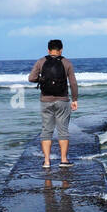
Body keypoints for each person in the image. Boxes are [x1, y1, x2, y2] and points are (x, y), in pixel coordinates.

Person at [27, 39, 79, 168]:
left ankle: (46, 162)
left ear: (48, 50)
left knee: (46, 131)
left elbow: (31, 78)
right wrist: (75, 99)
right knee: (63, 131)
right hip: (62, 100)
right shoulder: (67, 63)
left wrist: (42, 79)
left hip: (45, 100)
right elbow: (73, 83)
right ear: (61, 50)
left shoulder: (41, 61)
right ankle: (63, 160)